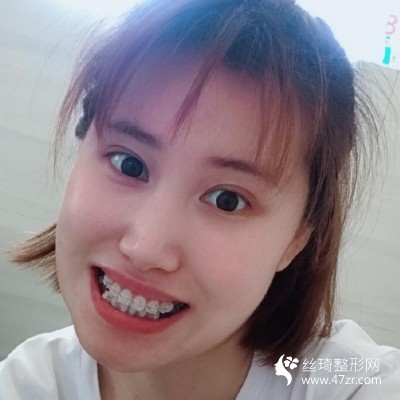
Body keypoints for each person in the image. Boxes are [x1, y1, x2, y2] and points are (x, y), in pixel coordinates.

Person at [0, 0, 399, 398]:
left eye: (227, 200)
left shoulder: (352, 384)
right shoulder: (27, 384)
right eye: (129, 164)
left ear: (296, 239)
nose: (145, 248)